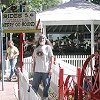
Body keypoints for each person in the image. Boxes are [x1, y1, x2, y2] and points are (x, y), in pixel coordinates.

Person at [32, 34, 53, 100]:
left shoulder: (48, 47)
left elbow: (51, 58)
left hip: (46, 71)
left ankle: (45, 98)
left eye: (43, 38)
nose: (42, 39)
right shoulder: (36, 49)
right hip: (37, 71)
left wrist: (51, 69)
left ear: (45, 40)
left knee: (46, 86)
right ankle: (33, 97)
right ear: (38, 40)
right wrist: (33, 70)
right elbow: (34, 60)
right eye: (40, 38)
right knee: (34, 86)